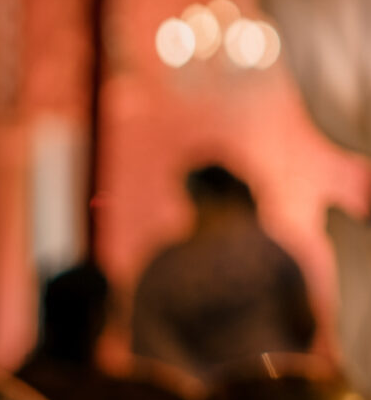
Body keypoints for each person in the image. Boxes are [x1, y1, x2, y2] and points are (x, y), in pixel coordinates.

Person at [129, 164, 316, 382]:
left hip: (193, 391)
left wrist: (194, 385)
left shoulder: (163, 267)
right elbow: (304, 323)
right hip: (271, 386)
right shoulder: (273, 253)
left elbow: (149, 344)